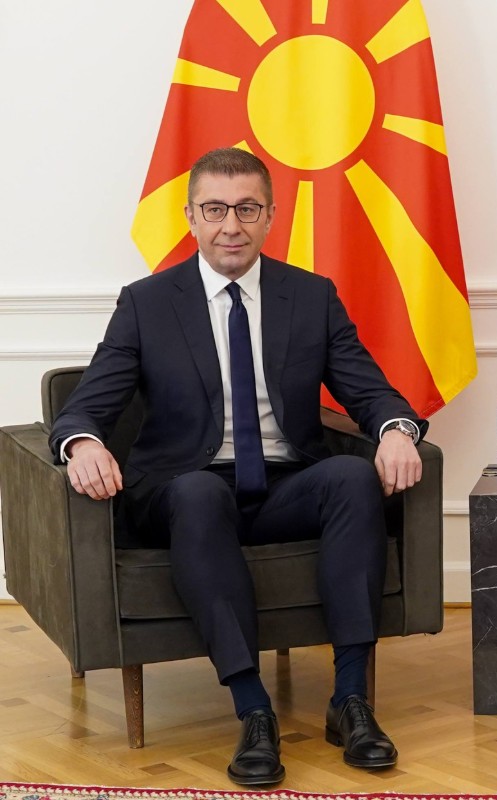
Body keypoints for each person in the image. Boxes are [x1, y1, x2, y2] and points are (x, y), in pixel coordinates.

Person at [50, 147, 427, 786]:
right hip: (184, 492)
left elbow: (370, 391)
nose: (232, 225)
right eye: (216, 209)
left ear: (270, 216)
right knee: (199, 494)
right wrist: (83, 444)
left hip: (282, 486)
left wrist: (395, 430)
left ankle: (350, 701)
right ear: (191, 217)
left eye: (248, 209)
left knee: (350, 476)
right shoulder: (147, 303)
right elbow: (87, 406)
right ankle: (254, 710)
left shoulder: (310, 296)